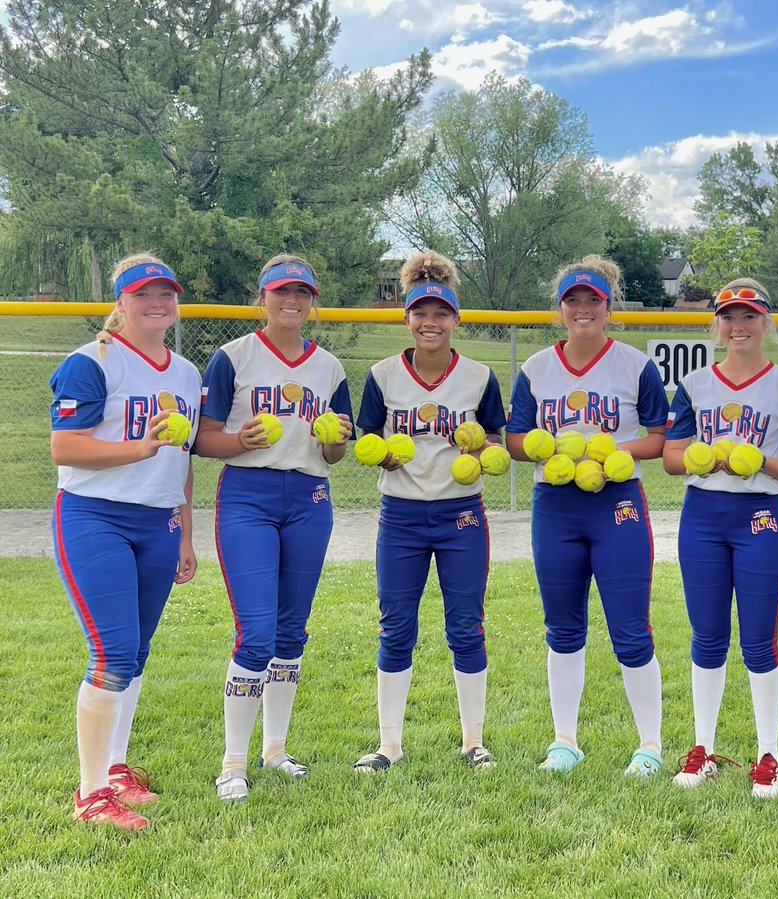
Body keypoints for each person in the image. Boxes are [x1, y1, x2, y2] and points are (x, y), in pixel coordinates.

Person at [195, 255, 354, 803]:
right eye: (282, 290)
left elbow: (333, 455)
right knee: (257, 634)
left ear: (313, 301)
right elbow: (203, 438)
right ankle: (232, 761)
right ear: (262, 296)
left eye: (303, 292)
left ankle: (275, 750)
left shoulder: (329, 368)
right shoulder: (233, 357)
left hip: (309, 497)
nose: (293, 300)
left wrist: (336, 437)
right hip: (249, 496)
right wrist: (240, 441)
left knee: (292, 632)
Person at [50, 254, 200, 830]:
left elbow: (181, 461)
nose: (157, 303)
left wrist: (186, 531)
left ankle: (115, 769)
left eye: (165, 293)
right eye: (143, 294)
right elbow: (66, 448)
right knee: (111, 653)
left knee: (134, 654)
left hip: (158, 522)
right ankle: (91, 795)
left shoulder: (186, 374)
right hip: (96, 517)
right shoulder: (92, 362)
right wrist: (138, 448)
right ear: (121, 301)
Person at [506, 255, 669, 776]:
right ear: (561, 309)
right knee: (562, 627)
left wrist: (611, 450)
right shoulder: (535, 367)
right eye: (573, 300)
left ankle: (650, 745)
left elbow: (660, 439)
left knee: (630, 629)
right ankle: (565, 742)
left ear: (607, 306)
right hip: (555, 507)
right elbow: (514, 439)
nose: (582, 309)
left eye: (592, 300)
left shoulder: (635, 365)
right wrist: (544, 451)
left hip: (616, 504)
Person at [662, 279, 778, 799]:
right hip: (703, 515)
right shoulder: (697, 383)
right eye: (729, 317)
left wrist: (756, 461)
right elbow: (670, 458)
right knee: (707, 635)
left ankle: (769, 755)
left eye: (749, 316)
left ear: (766, 323)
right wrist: (704, 456)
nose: (739, 326)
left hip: (760, 518)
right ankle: (702, 749)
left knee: (758, 639)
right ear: (717, 325)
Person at [353, 251, 506, 773]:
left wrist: (480, 453)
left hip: (461, 513)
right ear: (407, 318)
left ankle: (473, 741)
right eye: (421, 312)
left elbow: (494, 441)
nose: (430, 322)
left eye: (441, 313)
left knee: (466, 624)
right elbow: (367, 438)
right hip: (400, 515)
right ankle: (389, 745)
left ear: (456, 320)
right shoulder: (382, 374)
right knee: (396, 626)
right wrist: (383, 451)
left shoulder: (480, 377)